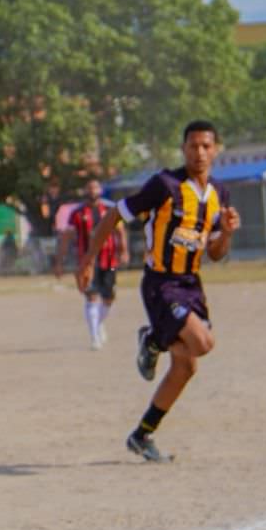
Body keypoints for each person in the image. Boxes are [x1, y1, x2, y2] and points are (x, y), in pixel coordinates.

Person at [78, 121, 239, 463]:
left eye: (206, 146)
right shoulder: (165, 185)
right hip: (161, 283)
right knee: (202, 343)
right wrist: (89, 259)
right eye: (193, 145)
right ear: (183, 149)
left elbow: (215, 253)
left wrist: (226, 233)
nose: (199, 152)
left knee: (186, 366)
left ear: (216, 150)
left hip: (191, 284)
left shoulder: (219, 195)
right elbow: (115, 214)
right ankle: (152, 339)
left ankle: (142, 435)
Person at [55, 179, 129, 349]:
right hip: (87, 261)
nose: (92, 191)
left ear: (100, 190)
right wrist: (60, 261)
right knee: (92, 296)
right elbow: (67, 237)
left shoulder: (109, 209)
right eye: (89, 188)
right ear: (85, 191)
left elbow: (120, 230)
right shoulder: (77, 213)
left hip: (109, 259)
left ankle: (99, 323)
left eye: (95, 187)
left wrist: (124, 250)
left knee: (109, 298)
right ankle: (95, 337)